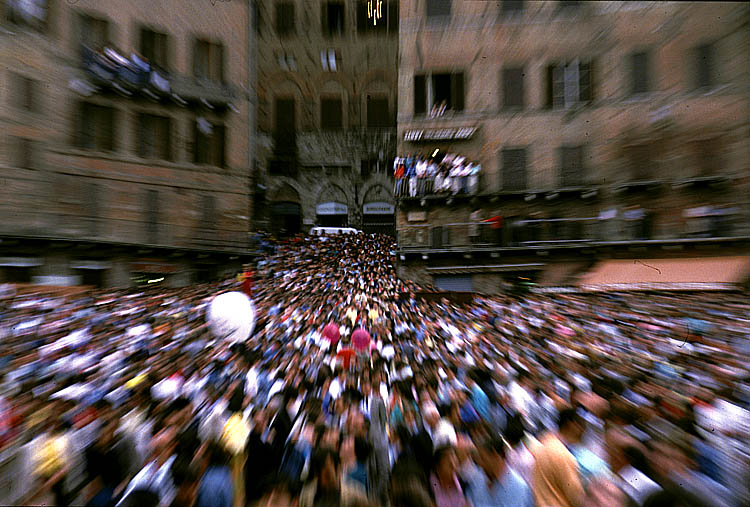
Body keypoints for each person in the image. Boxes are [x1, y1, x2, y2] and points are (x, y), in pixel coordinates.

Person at [530, 407, 586, 507]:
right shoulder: (563, 455)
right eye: (581, 425)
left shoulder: (544, 441)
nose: (584, 430)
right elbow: (577, 498)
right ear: (572, 425)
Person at [465, 438, 533, 507]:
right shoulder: (476, 480)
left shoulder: (520, 489)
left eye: (483, 459)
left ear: (495, 455)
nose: (479, 463)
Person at [298, 447, 368, 507]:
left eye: (329, 474)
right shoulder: (307, 495)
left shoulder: (356, 494)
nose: (327, 481)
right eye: (324, 476)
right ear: (316, 475)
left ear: (338, 470)